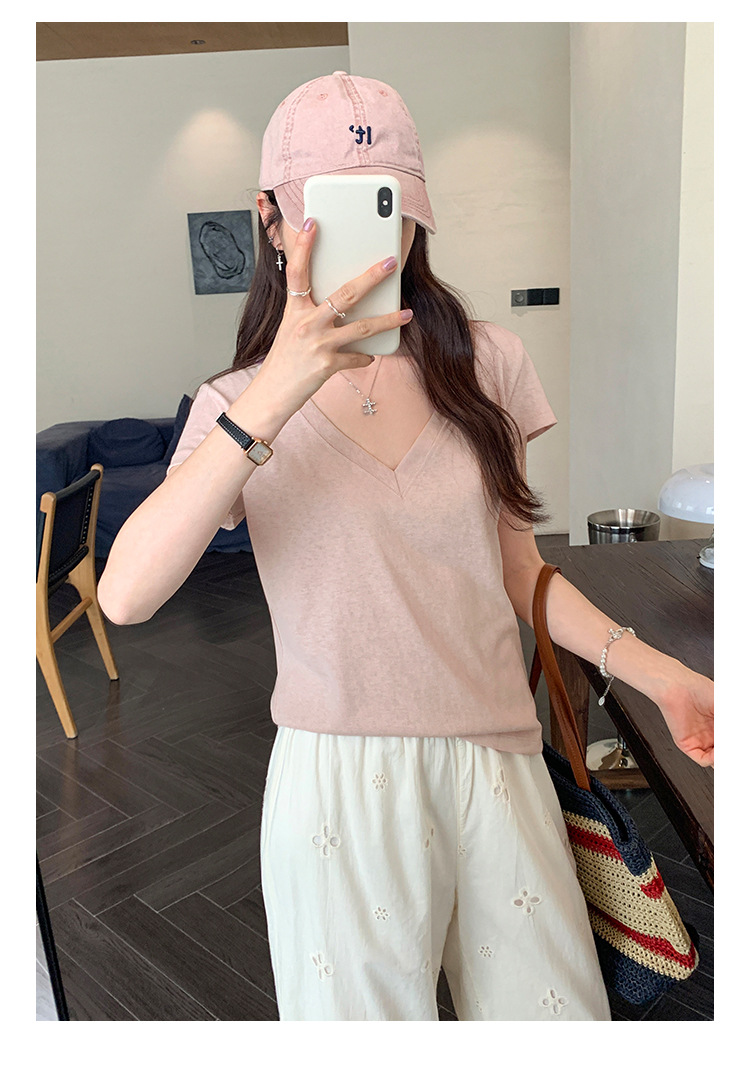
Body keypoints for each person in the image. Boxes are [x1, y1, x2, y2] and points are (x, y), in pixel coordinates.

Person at [98, 71, 714, 1022]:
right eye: (331, 210)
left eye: (387, 208)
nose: (371, 242)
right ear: (271, 219)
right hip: (335, 783)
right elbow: (126, 595)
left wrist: (659, 675)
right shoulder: (235, 404)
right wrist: (276, 391)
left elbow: (518, 569)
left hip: (500, 761)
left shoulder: (488, 363)